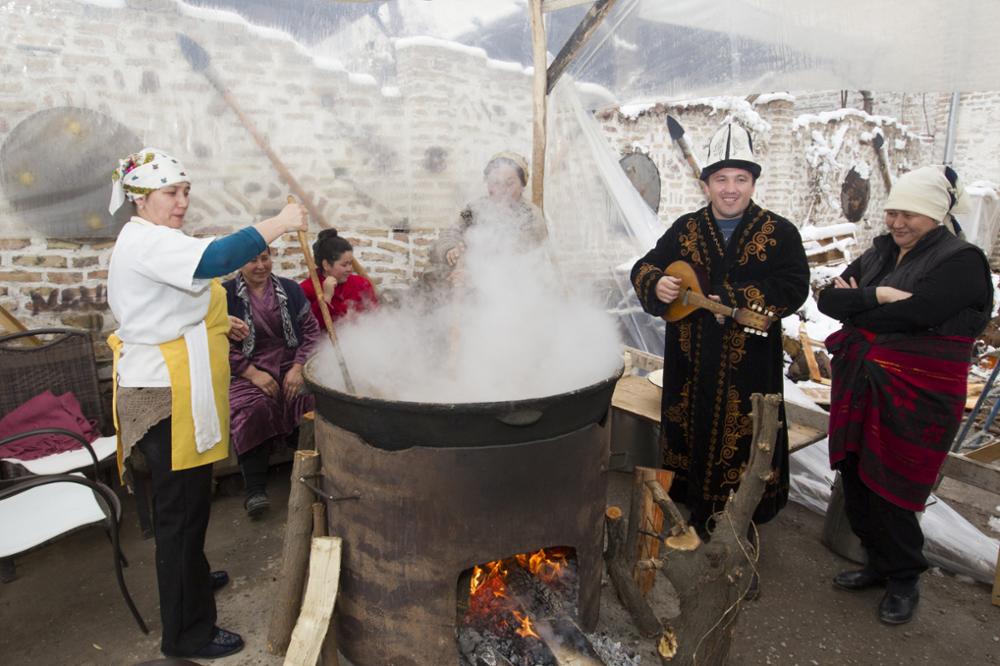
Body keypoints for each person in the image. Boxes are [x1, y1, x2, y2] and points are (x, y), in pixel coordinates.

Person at [106, 147, 307, 659]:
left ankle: (192, 578)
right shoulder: (146, 241)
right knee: (181, 515)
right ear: (140, 198)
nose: (182, 202)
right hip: (163, 396)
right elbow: (217, 259)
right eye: (171, 193)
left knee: (191, 502)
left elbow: (180, 300)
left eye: (185, 192)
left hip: (178, 385)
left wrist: (220, 322)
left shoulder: (157, 239)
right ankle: (187, 633)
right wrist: (278, 223)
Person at [817, 165, 992, 625]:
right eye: (892, 211)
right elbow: (826, 301)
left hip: (918, 391)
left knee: (895, 486)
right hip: (863, 382)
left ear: (935, 215)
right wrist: (882, 295)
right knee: (854, 474)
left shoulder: (961, 260)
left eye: (909, 214)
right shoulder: (880, 253)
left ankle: (904, 579)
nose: (896, 222)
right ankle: (877, 564)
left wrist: (866, 305)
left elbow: (921, 314)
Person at [630, 123, 810, 550]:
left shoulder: (780, 233)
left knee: (743, 438)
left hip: (748, 365)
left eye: (741, 179)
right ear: (707, 183)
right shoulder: (686, 229)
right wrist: (656, 283)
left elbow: (793, 286)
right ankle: (688, 509)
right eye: (722, 179)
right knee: (687, 432)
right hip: (690, 359)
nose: (731, 189)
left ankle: (737, 518)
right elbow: (644, 266)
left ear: (752, 182)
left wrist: (730, 298)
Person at [224, 249, 321, 519]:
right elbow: (217, 342)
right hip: (246, 369)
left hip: (289, 364)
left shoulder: (289, 289)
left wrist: (299, 367)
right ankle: (255, 489)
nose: (260, 266)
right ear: (239, 262)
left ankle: (308, 475)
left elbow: (312, 331)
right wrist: (252, 373)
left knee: (308, 400)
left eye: (265, 258)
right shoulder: (225, 295)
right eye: (252, 259)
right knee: (251, 407)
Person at [428, 151, 548, 285]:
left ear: (522, 186)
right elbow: (452, 231)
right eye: (495, 182)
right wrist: (450, 250)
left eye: (509, 183)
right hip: (471, 282)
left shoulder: (531, 216)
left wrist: (476, 276)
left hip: (512, 289)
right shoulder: (472, 209)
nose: (501, 190)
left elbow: (521, 262)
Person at [299, 228, 378, 330]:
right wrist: (326, 297)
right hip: (325, 344)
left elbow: (376, 317)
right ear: (326, 265)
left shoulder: (361, 283)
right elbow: (309, 329)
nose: (350, 269)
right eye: (344, 265)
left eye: (350, 263)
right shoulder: (306, 289)